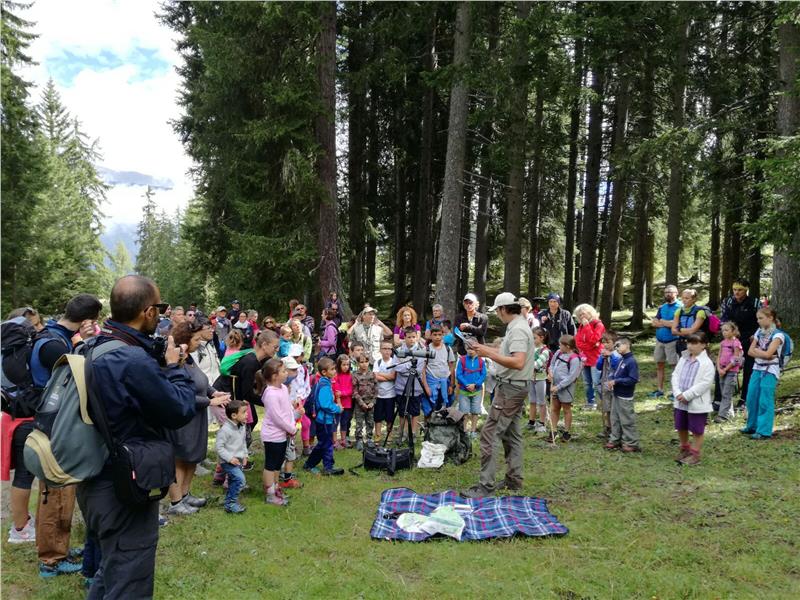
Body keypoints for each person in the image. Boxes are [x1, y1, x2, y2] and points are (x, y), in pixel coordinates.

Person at [77, 275, 197, 599]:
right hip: (122, 487)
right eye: (160, 307)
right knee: (129, 582)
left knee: (111, 572)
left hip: (96, 477)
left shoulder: (96, 346)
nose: (161, 313)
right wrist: (174, 367)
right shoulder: (130, 359)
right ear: (148, 312)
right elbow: (179, 409)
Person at [7, 295, 102, 577]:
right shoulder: (54, 345)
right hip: (54, 426)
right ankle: (51, 559)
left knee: (58, 490)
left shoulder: (51, 335)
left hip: (49, 421)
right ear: (87, 320)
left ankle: (57, 548)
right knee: (56, 491)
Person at [462, 293, 534, 498]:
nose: (497, 315)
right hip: (515, 386)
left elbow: (518, 362)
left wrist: (487, 353)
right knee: (512, 435)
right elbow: (506, 353)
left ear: (504, 309)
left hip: (511, 389)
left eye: (498, 311)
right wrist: (482, 348)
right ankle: (514, 480)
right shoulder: (516, 326)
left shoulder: (518, 329)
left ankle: (485, 486)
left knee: (490, 434)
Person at [165, 321, 231, 516]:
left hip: (197, 416)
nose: (198, 343)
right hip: (184, 418)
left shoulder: (190, 358)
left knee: (192, 457)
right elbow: (178, 394)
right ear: (184, 341)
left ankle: (185, 494)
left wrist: (213, 392)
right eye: (195, 339)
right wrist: (209, 401)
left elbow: (200, 380)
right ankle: (176, 502)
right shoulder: (174, 362)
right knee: (180, 459)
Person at [741, 307, 785, 440]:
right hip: (757, 368)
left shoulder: (778, 335)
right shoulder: (759, 332)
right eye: (757, 318)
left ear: (770, 318)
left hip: (770, 370)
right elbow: (750, 351)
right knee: (751, 397)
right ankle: (752, 426)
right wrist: (764, 354)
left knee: (765, 399)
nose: (758, 321)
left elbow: (768, 354)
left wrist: (761, 353)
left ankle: (764, 431)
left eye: (761, 318)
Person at [671, 332, 715, 465]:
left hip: (696, 402)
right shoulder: (683, 358)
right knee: (681, 425)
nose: (690, 346)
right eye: (689, 343)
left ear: (703, 345)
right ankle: (685, 448)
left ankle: (695, 454)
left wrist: (687, 395)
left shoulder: (707, 363)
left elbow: (705, 383)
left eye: (694, 343)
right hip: (680, 400)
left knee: (697, 429)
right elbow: (675, 375)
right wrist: (677, 392)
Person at [258, 359, 295, 506]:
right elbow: (277, 417)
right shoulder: (271, 394)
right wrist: (290, 428)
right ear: (274, 376)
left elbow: (287, 409)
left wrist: (292, 422)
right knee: (271, 465)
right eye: (284, 371)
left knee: (278, 463)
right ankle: (270, 494)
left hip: (283, 434)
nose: (287, 373)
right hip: (272, 436)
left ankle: (276, 487)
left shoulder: (283, 388)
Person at [720, 278, 761, 408]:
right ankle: (721, 399)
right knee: (726, 365)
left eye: (740, 290)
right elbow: (724, 319)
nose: (736, 292)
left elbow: (761, 321)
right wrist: (727, 334)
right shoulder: (728, 301)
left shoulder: (755, 303)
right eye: (734, 290)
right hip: (732, 339)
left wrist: (756, 335)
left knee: (749, 369)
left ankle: (745, 399)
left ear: (746, 290)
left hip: (750, 339)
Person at [303, 357, 344, 475]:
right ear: (324, 372)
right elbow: (325, 404)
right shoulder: (325, 385)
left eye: (335, 368)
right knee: (326, 445)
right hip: (324, 421)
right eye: (332, 369)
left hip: (324, 419)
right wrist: (337, 408)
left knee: (324, 444)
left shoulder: (324, 382)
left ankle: (313, 464)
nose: (335, 371)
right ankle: (326, 467)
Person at [604, 337, 640, 452]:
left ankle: (631, 442)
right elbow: (616, 372)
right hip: (616, 394)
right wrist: (612, 379)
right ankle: (615, 439)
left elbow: (633, 379)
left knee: (627, 420)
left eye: (618, 345)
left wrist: (617, 381)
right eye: (615, 346)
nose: (616, 348)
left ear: (627, 345)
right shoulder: (622, 359)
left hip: (625, 396)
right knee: (615, 418)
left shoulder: (631, 361)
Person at [393, 327, 427, 443]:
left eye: (413, 337)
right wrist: (409, 366)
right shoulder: (399, 351)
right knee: (402, 411)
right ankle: (403, 433)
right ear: (404, 338)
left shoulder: (421, 351)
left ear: (416, 337)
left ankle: (413, 433)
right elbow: (396, 367)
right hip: (401, 387)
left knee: (415, 411)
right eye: (409, 337)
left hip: (415, 387)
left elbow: (419, 369)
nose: (411, 339)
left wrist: (405, 368)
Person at [215, 400, 249, 514]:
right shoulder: (225, 430)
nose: (247, 414)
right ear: (234, 415)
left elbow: (243, 442)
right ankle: (230, 504)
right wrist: (230, 458)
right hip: (227, 461)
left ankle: (229, 500)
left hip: (238, 460)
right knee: (240, 479)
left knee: (233, 480)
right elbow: (219, 448)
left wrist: (245, 455)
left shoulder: (242, 426)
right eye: (244, 412)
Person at [650, 285, 681, 398]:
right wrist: (667, 323)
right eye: (666, 292)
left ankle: (674, 391)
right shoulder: (662, 307)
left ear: (676, 293)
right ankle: (660, 390)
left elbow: (677, 324)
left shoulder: (680, 307)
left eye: (670, 292)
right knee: (659, 365)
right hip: (660, 341)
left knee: (674, 367)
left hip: (672, 341)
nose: (668, 294)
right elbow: (654, 322)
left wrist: (663, 322)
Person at [548, 335, 581, 442]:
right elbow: (552, 364)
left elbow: (571, 377)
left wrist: (559, 387)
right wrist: (550, 372)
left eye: (561, 345)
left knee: (566, 409)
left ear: (568, 346)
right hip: (554, 386)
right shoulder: (558, 353)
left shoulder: (574, 358)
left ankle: (566, 432)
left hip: (565, 389)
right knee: (554, 408)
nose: (559, 346)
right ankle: (553, 431)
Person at [573, 303, 605, 410]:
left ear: (590, 313)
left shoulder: (598, 325)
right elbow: (578, 342)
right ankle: (590, 403)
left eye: (584, 313)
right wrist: (589, 346)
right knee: (587, 383)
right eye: (580, 315)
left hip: (596, 358)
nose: (582, 316)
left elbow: (594, 340)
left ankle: (605, 402)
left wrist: (587, 327)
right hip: (585, 358)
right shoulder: (581, 326)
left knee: (597, 382)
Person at [423, 325, 456, 417]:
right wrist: (426, 387)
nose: (437, 337)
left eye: (439, 334)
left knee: (445, 406)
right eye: (435, 335)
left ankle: (443, 422)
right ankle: (428, 423)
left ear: (443, 335)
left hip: (445, 381)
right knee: (430, 407)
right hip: (431, 381)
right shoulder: (427, 349)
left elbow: (451, 367)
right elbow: (423, 369)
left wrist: (451, 385)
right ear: (431, 336)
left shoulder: (447, 348)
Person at [456, 345, 487, 439]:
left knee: (475, 411)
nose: (470, 351)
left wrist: (476, 384)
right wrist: (466, 384)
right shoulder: (462, 360)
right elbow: (459, 374)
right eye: (469, 349)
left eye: (473, 349)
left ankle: (473, 431)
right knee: (464, 412)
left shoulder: (481, 361)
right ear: (466, 349)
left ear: (476, 349)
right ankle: (464, 431)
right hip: (464, 391)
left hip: (477, 391)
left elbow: (483, 374)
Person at [595, 331, 621, 441]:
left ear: (614, 343)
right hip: (604, 383)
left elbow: (616, 365)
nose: (605, 345)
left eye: (608, 342)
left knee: (615, 408)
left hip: (615, 384)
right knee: (606, 408)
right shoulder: (603, 354)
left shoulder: (618, 354)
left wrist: (611, 355)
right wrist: (602, 357)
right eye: (603, 342)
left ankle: (617, 430)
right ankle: (608, 427)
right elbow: (598, 366)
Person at [715, 322, 743, 422]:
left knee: (727, 393)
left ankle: (723, 416)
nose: (724, 332)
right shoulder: (723, 343)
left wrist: (725, 369)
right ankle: (730, 413)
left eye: (726, 330)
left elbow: (736, 359)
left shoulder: (736, 343)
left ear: (733, 331)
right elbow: (719, 356)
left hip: (731, 371)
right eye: (722, 330)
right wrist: (719, 368)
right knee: (724, 393)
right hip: (721, 370)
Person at [526, 327, 550, 434]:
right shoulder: (531, 348)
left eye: (534, 338)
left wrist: (526, 364)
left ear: (541, 338)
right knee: (532, 400)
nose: (532, 340)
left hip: (540, 379)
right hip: (530, 378)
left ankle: (542, 423)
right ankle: (531, 422)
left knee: (541, 401)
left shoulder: (545, 351)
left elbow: (537, 364)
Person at [372, 342, 397, 441]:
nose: (387, 351)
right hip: (379, 395)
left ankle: (389, 435)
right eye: (384, 348)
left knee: (389, 417)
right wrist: (388, 377)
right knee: (378, 417)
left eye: (389, 349)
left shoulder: (394, 362)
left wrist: (380, 374)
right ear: (380, 350)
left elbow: (393, 376)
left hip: (390, 395)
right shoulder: (377, 362)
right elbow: (375, 377)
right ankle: (378, 435)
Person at [352, 355, 377, 451]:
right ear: (358, 363)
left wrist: (373, 402)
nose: (364, 364)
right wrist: (361, 403)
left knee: (370, 422)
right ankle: (359, 440)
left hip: (370, 403)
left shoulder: (372, 374)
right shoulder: (355, 375)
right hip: (360, 404)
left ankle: (369, 439)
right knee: (359, 423)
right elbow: (354, 391)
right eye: (361, 362)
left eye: (366, 362)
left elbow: (376, 389)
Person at [672, 288, 706, 356]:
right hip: (682, 343)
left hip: (696, 344)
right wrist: (687, 331)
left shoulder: (700, 312)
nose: (684, 300)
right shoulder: (678, 311)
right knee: (682, 362)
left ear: (694, 299)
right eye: (682, 298)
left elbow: (693, 331)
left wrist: (679, 329)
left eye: (687, 298)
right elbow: (673, 331)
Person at [332, 354, 354, 448]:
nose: (346, 367)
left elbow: (351, 390)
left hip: (347, 404)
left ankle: (343, 439)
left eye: (347, 365)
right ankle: (334, 441)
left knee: (344, 422)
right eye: (343, 365)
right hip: (337, 404)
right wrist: (339, 394)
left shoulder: (350, 376)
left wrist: (343, 393)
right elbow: (336, 389)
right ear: (339, 365)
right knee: (335, 422)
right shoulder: (335, 376)